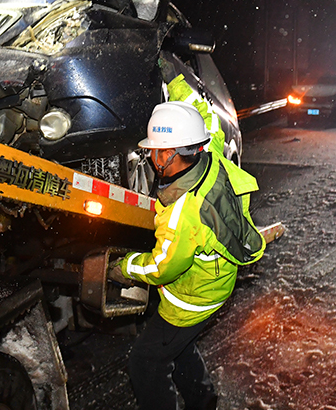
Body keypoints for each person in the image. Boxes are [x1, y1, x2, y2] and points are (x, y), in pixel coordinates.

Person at [108, 59, 268, 410]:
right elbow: (204, 116)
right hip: (216, 282)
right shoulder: (209, 152)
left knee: (146, 363)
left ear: (169, 154)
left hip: (192, 300)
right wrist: (173, 77)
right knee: (178, 348)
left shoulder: (183, 212)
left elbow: (161, 268)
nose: (148, 155)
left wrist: (122, 267)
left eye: (153, 150)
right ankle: (203, 400)